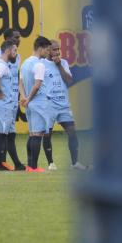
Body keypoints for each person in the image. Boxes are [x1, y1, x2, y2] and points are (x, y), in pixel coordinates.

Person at [44, 39, 87, 170]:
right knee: (47, 133)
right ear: (48, 51)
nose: (57, 52)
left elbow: (69, 80)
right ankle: (51, 163)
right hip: (49, 104)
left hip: (63, 104)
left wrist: (59, 66)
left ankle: (75, 163)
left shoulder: (64, 63)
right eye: (54, 49)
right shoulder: (42, 64)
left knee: (72, 132)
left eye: (58, 49)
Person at [0, 28, 24, 170]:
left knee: (9, 134)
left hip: (11, 101)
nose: (19, 40)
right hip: (3, 102)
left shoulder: (14, 58)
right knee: (2, 135)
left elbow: (16, 78)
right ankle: (0, 164)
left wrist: (19, 96)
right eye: (16, 38)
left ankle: (12, 164)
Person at [18, 36, 53, 172]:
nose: (48, 53)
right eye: (47, 50)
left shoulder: (25, 63)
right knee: (37, 135)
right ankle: (34, 166)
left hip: (29, 104)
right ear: (41, 48)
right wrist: (28, 99)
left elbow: (20, 82)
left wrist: (24, 97)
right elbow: (37, 85)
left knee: (32, 134)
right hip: (38, 103)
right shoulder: (39, 64)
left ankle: (29, 165)